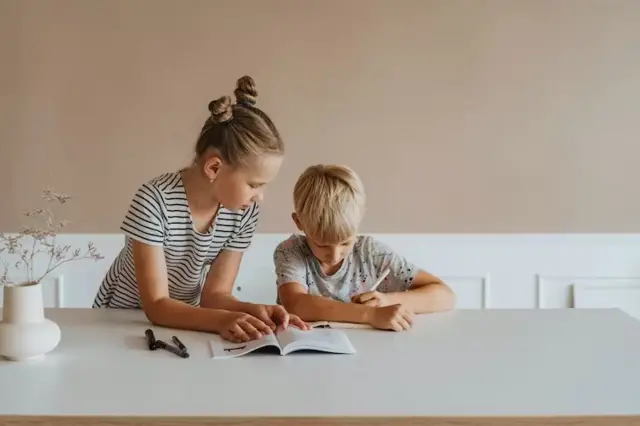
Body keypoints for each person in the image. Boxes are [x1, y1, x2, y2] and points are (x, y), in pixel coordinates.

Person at [93, 75, 309, 342]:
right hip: (118, 323)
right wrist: (223, 320)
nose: (260, 197)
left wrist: (255, 310)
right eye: (254, 184)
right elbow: (157, 305)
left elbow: (215, 296)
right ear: (214, 167)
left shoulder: (243, 212)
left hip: (183, 322)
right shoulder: (153, 201)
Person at [273, 164, 456, 331]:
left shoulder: (371, 253)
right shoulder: (291, 250)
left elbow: (446, 296)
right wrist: (370, 315)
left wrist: (387, 301)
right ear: (299, 222)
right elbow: (295, 304)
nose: (335, 255)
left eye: (345, 242)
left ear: (360, 217)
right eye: (322, 244)